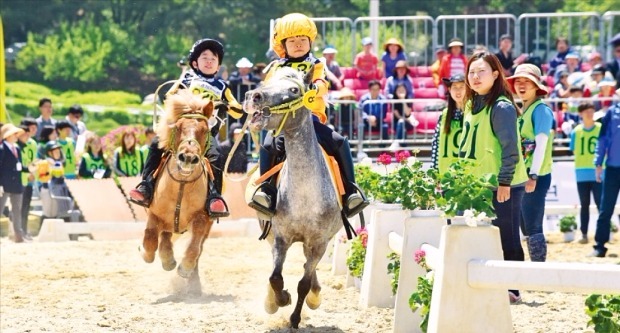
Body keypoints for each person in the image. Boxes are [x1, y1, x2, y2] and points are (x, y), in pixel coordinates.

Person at [249, 13, 369, 220]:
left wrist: (316, 88)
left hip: (310, 121)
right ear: (283, 45)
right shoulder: (276, 68)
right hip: (283, 123)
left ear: (310, 42)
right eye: (292, 41)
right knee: (268, 146)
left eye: (303, 40)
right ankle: (267, 191)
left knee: (340, 142)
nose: (298, 44)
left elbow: (322, 83)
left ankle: (351, 192)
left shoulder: (317, 64)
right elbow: (267, 89)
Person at [129, 38, 244, 219]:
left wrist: (226, 106)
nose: (209, 61)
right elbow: (170, 96)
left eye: (213, 59)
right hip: (180, 130)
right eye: (204, 57)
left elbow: (237, 112)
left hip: (204, 134)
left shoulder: (223, 87)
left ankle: (214, 196)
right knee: (156, 143)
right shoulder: (187, 78)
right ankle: (146, 185)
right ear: (194, 63)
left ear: (218, 65)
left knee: (216, 155)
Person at [460, 52, 528, 302]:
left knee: (507, 236)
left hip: (503, 184)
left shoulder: (501, 107)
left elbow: (511, 148)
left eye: (481, 72)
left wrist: (505, 181)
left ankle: (514, 289)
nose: (475, 77)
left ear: (496, 75)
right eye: (471, 72)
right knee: (482, 236)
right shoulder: (469, 104)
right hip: (478, 183)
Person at [506, 64, 555, 262]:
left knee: (533, 226)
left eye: (527, 81)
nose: (521, 85)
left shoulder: (541, 110)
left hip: (535, 176)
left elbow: (541, 145)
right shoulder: (525, 110)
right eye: (518, 81)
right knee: (525, 226)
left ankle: (539, 270)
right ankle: (535, 269)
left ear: (537, 86)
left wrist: (533, 175)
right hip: (523, 176)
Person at [590, 100, 620, 257]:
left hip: (613, 168)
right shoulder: (611, 113)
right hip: (613, 169)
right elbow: (602, 139)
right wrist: (598, 162)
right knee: (605, 208)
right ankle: (599, 246)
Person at [569, 103, 602, 244]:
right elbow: (574, 150)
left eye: (591, 111)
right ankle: (584, 234)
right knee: (584, 205)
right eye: (586, 111)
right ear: (580, 114)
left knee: (601, 205)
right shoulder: (576, 131)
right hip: (581, 173)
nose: (590, 113)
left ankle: (602, 235)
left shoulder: (601, 128)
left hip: (598, 172)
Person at [431, 73, 466, 173]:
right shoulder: (444, 114)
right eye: (454, 87)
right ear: (449, 90)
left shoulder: (473, 114)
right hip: (446, 174)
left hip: (467, 175)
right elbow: (436, 144)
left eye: (462, 87)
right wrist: (435, 171)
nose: (458, 91)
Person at [0, 124, 27, 243]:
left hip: (16, 183)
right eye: (14, 134)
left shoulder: (17, 149)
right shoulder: (1, 149)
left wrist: (29, 169)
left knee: (17, 210)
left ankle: (18, 236)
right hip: (4, 183)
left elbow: (19, 166)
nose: (17, 136)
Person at [17, 123, 37, 240]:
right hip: (19, 181)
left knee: (25, 208)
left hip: (28, 180)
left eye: (28, 134)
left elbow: (32, 161)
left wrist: (33, 172)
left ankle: (24, 230)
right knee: (18, 208)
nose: (27, 137)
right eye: (25, 134)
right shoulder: (16, 147)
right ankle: (18, 231)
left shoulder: (28, 145)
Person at [389, 83, 416, 151]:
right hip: (397, 123)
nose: (401, 91)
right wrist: (405, 120)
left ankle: (396, 142)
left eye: (403, 90)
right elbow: (398, 116)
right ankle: (404, 150)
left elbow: (407, 113)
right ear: (395, 91)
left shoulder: (408, 100)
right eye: (399, 90)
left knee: (403, 124)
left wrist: (403, 100)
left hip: (408, 124)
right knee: (403, 129)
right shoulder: (393, 101)